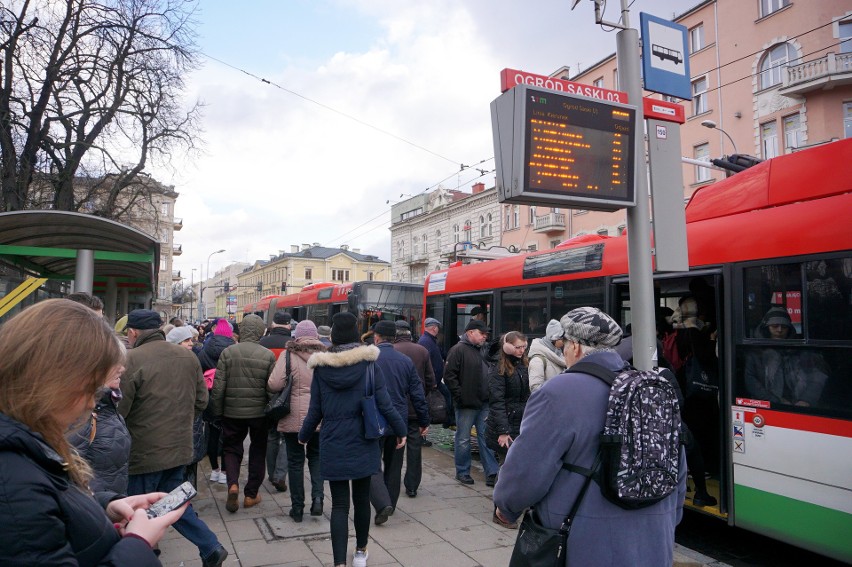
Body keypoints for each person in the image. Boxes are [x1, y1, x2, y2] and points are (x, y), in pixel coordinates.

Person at [494, 307, 687, 567]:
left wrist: (506, 508)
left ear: (575, 347)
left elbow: (526, 469)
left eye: (564, 346)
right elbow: (677, 468)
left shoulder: (558, 393)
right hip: (653, 544)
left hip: (585, 546)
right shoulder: (652, 389)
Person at [0, 299, 187, 565]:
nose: (91, 402)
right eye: (90, 387)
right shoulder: (12, 483)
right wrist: (137, 544)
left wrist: (106, 507)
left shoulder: (25, 442)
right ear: (53, 381)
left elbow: (55, 506)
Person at [120, 309, 229, 567]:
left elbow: (120, 410)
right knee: (172, 501)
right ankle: (210, 546)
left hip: (143, 452)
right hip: (180, 447)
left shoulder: (132, 359)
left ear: (133, 332)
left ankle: (144, 555)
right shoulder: (188, 357)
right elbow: (202, 400)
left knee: (138, 509)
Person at [299, 311, 407, 567]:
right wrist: (401, 430)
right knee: (361, 500)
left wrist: (303, 435)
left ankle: (339, 563)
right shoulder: (370, 364)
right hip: (364, 439)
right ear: (356, 334)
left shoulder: (321, 369)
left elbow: (315, 409)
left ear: (334, 336)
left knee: (338, 505)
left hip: (333, 440)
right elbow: (386, 404)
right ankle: (360, 552)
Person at [210, 314, 277, 513]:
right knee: (258, 450)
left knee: (231, 449)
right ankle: (251, 494)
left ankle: (232, 485)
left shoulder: (227, 353)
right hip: (259, 414)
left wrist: (217, 411)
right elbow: (271, 389)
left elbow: (218, 386)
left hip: (231, 412)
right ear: (260, 331)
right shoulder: (267, 355)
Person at [369, 320, 430, 525]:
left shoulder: (369, 359)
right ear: (393, 337)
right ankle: (391, 505)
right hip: (398, 421)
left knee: (372, 463)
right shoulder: (405, 361)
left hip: (373, 420)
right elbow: (417, 394)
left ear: (376, 337)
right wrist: (423, 420)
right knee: (394, 465)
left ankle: (381, 502)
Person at [267, 319, 327, 522]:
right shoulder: (325, 355)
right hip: (319, 415)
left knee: (295, 461)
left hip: (293, 415)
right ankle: (318, 499)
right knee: (317, 458)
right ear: (316, 336)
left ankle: (297, 508)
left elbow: (275, 384)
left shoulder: (288, 355)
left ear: (297, 336)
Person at [443, 319, 500, 486]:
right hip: (467, 404)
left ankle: (492, 472)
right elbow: (449, 376)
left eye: (486, 334)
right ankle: (462, 471)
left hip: (484, 402)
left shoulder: (483, 350)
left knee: (486, 438)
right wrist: (461, 397)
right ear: (470, 333)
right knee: (463, 439)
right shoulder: (458, 350)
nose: (485, 337)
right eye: (482, 334)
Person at [745, 306, 828, 407]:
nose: (779, 330)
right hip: (768, 405)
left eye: (784, 327)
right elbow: (751, 382)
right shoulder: (755, 353)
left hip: (798, 404)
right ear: (766, 328)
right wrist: (776, 400)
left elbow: (817, 376)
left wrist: (806, 399)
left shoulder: (799, 351)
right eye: (775, 326)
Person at [70, 363, 131, 495]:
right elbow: (70, 475)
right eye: (113, 362)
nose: (122, 369)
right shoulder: (81, 414)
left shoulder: (106, 406)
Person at [393, 319, 437, 498]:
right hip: (415, 408)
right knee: (414, 448)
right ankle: (412, 486)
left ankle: (392, 482)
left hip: (395, 408)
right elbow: (430, 380)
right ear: (410, 334)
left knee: (395, 447)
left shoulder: (391, 351)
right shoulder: (422, 350)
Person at [196, 318, 236, 484]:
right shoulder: (233, 350)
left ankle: (214, 470)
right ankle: (226, 473)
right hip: (228, 398)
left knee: (212, 435)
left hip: (210, 397)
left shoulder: (204, 350)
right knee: (228, 436)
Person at [260, 311, 294, 493]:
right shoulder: (291, 345)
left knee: (271, 436)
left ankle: (272, 473)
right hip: (289, 397)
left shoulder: (262, 343)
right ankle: (280, 475)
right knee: (287, 438)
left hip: (269, 397)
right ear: (289, 326)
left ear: (272, 324)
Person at [485, 331, 530, 468]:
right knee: (507, 467)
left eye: (523, 347)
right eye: (518, 347)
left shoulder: (521, 363)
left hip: (519, 422)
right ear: (507, 347)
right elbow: (497, 402)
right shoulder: (498, 367)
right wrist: (503, 431)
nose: (522, 350)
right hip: (506, 424)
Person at [419, 317, 453, 428]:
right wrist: (431, 380)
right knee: (430, 404)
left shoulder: (431, 340)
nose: (438, 329)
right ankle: (442, 420)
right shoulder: (426, 341)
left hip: (435, 380)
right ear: (434, 328)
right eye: (437, 327)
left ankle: (447, 420)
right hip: (432, 381)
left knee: (447, 396)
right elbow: (425, 363)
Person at [527, 319, 567, 392]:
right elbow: (535, 389)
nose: (564, 342)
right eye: (562, 339)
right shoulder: (538, 360)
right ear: (554, 339)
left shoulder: (559, 354)